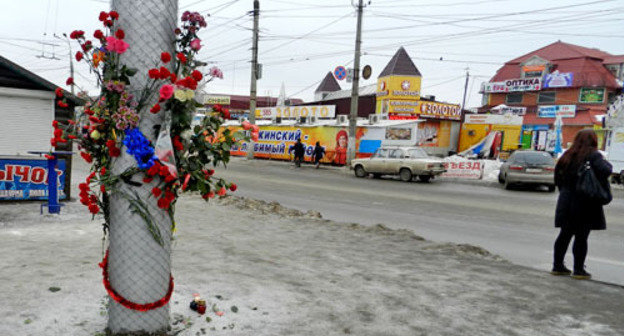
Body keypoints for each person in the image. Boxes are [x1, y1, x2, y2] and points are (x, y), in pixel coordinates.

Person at [552, 130, 612, 280]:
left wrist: (565, 192)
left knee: (564, 234)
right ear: (593, 141)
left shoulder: (567, 155)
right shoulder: (593, 155)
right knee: (581, 237)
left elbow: (557, 178)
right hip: (585, 203)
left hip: (566, 201)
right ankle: (578, 270)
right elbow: (607, 170)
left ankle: (557, 266)